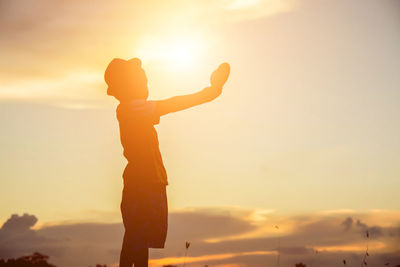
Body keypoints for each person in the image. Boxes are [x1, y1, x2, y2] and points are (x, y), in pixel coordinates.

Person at [104, 58, 230, 267]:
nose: (146, 85)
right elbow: (173, 104)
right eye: (141, 81)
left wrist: (212, 92)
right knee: (135, 238)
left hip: (151, 182)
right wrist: (211, 92)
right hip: (142, 184)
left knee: (140, 240)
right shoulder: (130, 108)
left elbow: (167, 106)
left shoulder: (136, 110)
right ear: (127, 85)